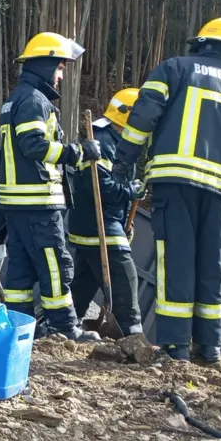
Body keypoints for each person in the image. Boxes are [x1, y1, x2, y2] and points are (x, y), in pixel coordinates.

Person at [113, 17, 221, 364]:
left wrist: (123, 160)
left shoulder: (173, 69)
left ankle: (176, 348)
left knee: (176, 260)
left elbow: (143, 116)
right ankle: (211, 349)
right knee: (213, 265)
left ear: (202, 43)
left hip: (175, 182)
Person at [0, 32, 102, 342]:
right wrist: (78, 152)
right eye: (59, 68)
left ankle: (20, 327)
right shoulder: (33, 100)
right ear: (45, 65)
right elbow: (33, 146)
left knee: (20, 271)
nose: (60, 76)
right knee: (56, 265)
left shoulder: (16, 99)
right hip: (37, 202)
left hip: (17, 203)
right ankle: (64, 328)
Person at [67, 88, 144, 336]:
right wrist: (129, 191)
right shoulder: (102, 142)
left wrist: (124, 222)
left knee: (84, 282)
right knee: (124, 277)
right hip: (96, 225)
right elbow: (97, 186)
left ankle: (62, 325)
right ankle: (132, 334)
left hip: (100, 224)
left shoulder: (119, 143)